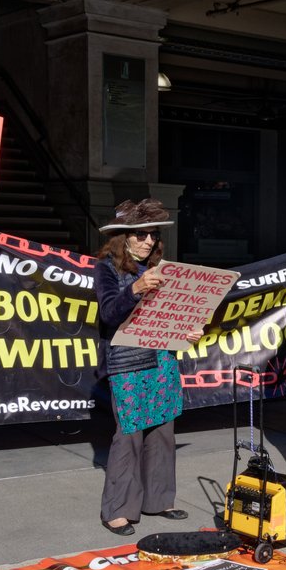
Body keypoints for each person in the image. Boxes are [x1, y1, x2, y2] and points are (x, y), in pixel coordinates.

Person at [94, 199, 191, 535]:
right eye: (141, 234)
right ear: (124, 237)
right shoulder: (107, 268)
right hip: (128, 362)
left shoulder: (162, 270)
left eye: (152, 235)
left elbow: (171, 315)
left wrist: (187, 328)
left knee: (163, 430)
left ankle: (159, 500)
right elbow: (108, 313)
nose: (149, 241)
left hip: (162, 359)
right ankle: (118, 509)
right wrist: (134, 289)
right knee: (130, 434)